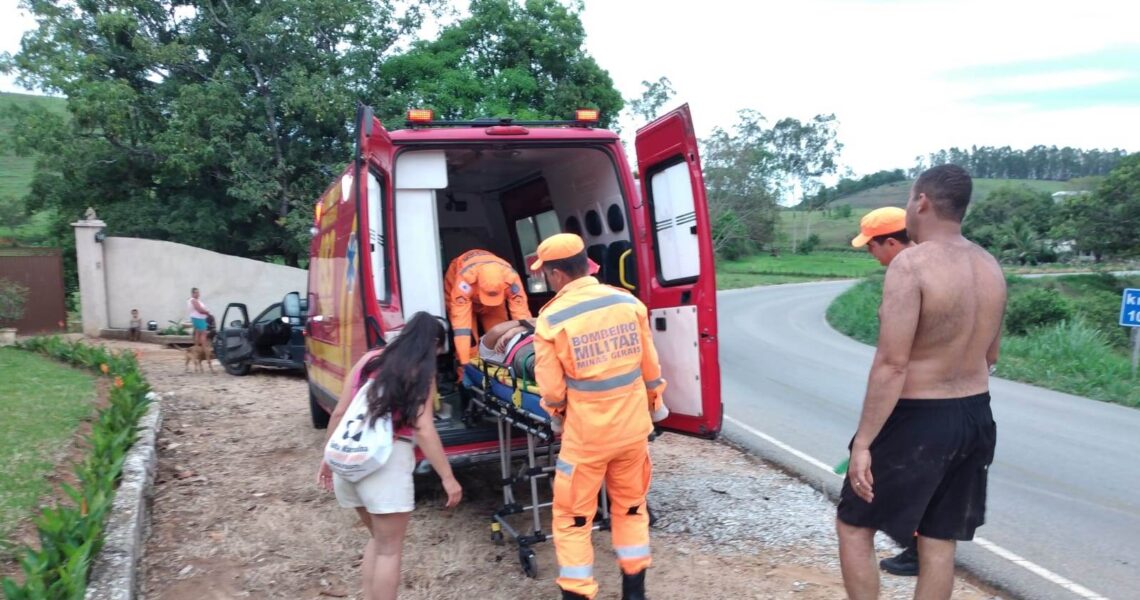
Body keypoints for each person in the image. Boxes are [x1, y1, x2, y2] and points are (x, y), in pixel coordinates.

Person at [836, 165, 1006, 600]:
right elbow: (991, 356)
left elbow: (892, 364)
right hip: (975, 415)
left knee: (855, 525)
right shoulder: (989, 265)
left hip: (918, 418)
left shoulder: (911, 264)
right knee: (937, 537)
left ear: (922, 202)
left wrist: (863, 444)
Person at [530, 233, 670, 600]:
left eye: (545, 274)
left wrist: (557, 415)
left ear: (557, 274)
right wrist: (656, 404)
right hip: (632, 432)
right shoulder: (628, 302)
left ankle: (578, 593)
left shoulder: (551, 320)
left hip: (586, 439)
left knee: (574, 519)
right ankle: (635, 593)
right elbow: (650, 368)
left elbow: (552, 391)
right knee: (631, 509)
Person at [317, 312, 462, 600]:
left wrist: (328, 458)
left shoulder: (368, 360)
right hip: (384, 466)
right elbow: (423, 427)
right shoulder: (421, 370)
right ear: (433, 344)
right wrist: (448, 478)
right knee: (389, 550)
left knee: (379, 542)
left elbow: (339, 413)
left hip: (349, 464)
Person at [851, 206, 919, 575]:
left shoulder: (906, 275)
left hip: (909, 398)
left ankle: (915, 543)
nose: (870, 254)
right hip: (951, 401)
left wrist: (864, 437)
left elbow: (894, 361)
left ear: (891, 242)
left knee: (859, 503)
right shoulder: (947, 265)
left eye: (871, 247)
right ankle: (919, 544)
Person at [443, 249, 532, 368]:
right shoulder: (465, 280)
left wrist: (528, 352)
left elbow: (522, 316)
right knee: (469, 344)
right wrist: (465, 362)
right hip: (462, 298)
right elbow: (461, 326)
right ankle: (464, 375)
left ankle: (501, 367)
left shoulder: (511, 279)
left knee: (500, 337)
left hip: (495, 301)